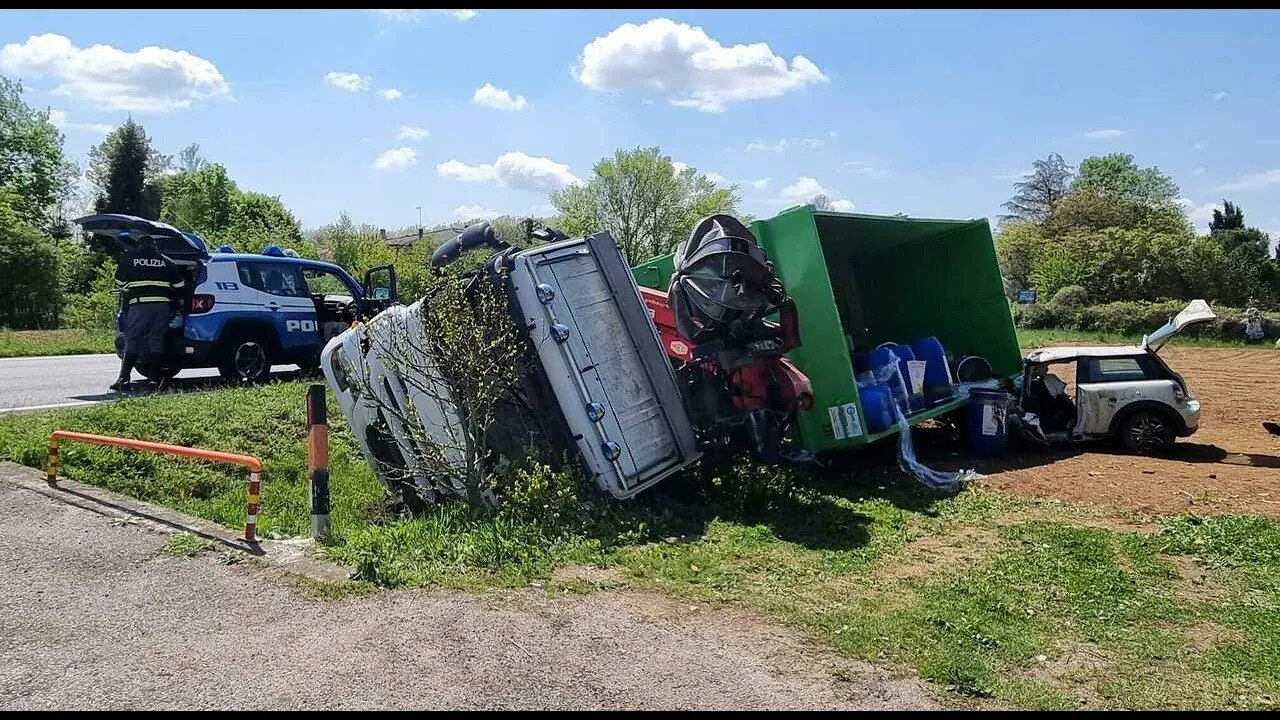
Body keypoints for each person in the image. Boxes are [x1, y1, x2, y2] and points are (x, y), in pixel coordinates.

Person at [111, 234, 185, 391]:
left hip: (139, 306)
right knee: (156, 339)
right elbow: (180, 284)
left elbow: (119, 282)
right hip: (161, 307)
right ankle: (154, 380)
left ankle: (123, 379)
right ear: (154, 246)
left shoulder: (130, 258)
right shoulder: (166, 261)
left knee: (132, 339)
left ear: (140, 245)